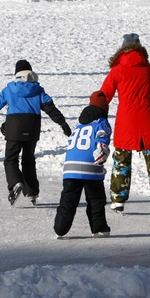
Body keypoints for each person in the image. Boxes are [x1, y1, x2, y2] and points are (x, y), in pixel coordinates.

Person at [0, 60, 72, 205]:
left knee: (11, 159)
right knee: (28, 160)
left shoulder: (10, 89)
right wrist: (62, 122)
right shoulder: (38, 90)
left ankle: (15, 183)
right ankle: (32, 192)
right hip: (32, 129)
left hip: (14, 129)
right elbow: (50, 108)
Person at [100, 33, 150, 217]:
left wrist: (98, 114)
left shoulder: (117, 70)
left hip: (126, 122)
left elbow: (104, 96)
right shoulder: (149, 69)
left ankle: (117, 201)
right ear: (140, 48)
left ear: (122, 49)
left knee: (122, 162)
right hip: (148, 121)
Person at [54, 91, 112, 239]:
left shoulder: (79, 125)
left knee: (68, 199)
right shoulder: (101, 122)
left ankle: (60, 228)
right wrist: (102, 147)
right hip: (90, 167)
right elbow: (102, 136)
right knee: (95, 199)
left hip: (70, 168)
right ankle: (98, 227)